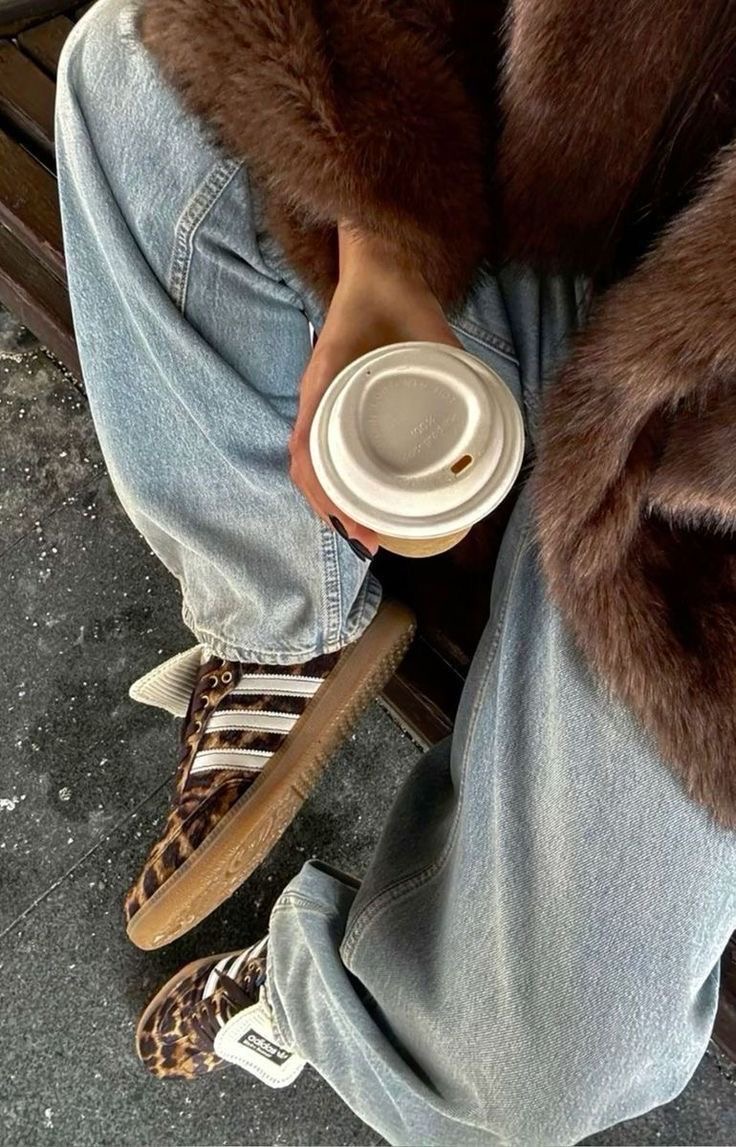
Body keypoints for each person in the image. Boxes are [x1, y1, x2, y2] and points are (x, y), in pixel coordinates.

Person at [55, 0, 736, 1142]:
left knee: (545, 1063)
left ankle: (330, 1001)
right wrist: (379, 236)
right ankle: (281, 621)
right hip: (571, 233)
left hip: (700, 536)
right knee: (130, 69)